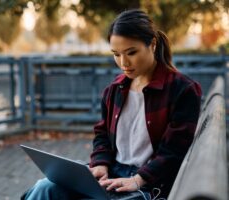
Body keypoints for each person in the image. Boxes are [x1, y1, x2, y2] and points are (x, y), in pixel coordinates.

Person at [21, 9, 202, 200]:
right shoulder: (115, 89)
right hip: (112, 173)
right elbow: (102, 135)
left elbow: (174, 151)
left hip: (149, 183)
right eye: (116, 54)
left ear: (153, 44)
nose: (123, 63)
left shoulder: (182, 89)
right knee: (44, 188)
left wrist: (139, 179)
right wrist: (100, 164)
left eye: (131, 52)